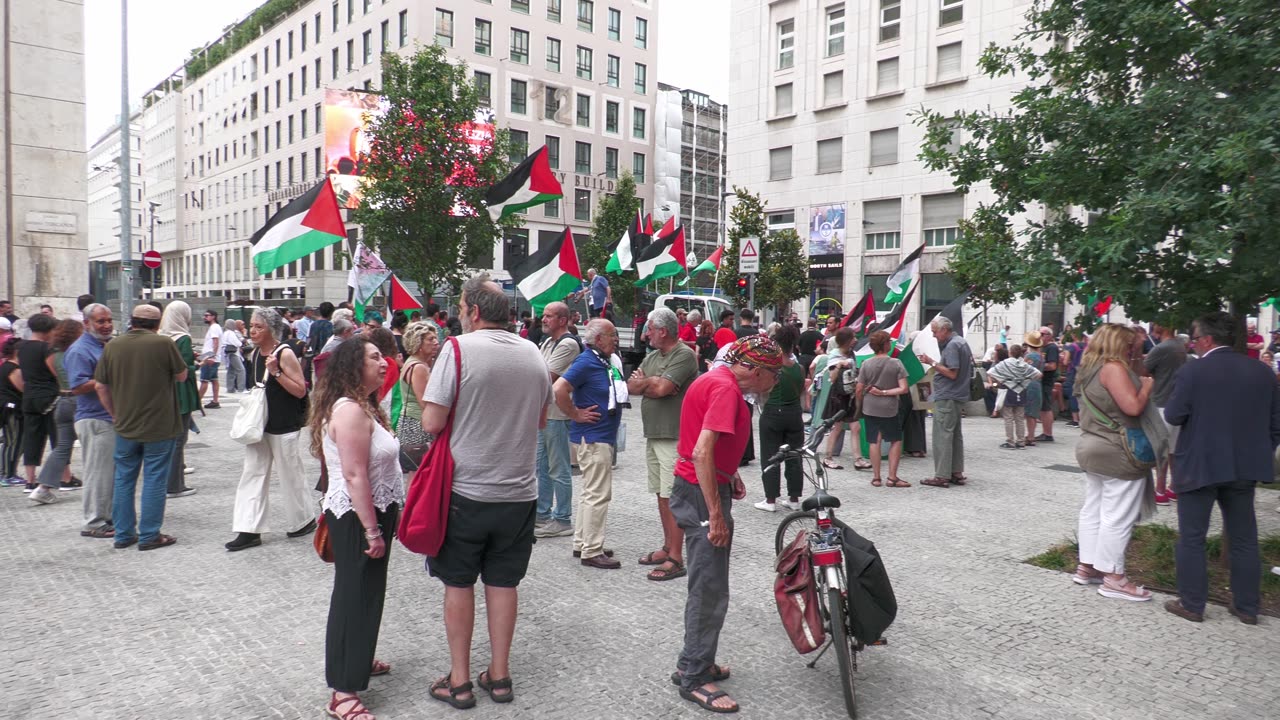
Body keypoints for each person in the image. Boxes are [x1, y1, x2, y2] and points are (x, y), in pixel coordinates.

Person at [420, 273, 552, 709]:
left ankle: (458, 682)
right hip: (519, 492)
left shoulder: (457, 350)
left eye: (461, 309)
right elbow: (539, 421)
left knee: (458, 583)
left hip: (466, 492)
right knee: (503, 583)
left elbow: (432, 424)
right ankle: (499, 676)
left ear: (473, 312)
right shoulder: (533, 353)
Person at [670, 335, 783, 714]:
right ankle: (695, 676)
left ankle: (694, 658)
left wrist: (727, 472)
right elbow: (701, 450)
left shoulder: (715, 379)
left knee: (708, 582)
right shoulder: (725, 389)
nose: (776, 381)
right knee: (710, 587)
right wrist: (716, 513)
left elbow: (702, 447)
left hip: (698, 484)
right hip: (701, 493)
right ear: (754, 369)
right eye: (775, 373)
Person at [1163, 312, 1280, 624]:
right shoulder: (1263, 371)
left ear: (1207, 340)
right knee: (1244, 538)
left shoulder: (1194, 371)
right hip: (1245, 467)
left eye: (1196, 339)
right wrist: (1257, 454)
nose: (1195, 345)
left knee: (1192, 537)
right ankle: (1247, 607)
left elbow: (1174, 415)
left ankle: (1192, 603)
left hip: (1200, 464)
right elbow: (1274, 425)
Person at [313, 336, 403, 720]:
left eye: (382, 356)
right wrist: (371, 530)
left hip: (373, 510)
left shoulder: (364, 406)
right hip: (356, 515)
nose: (383, 363)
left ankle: (358, 659)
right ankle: (342, 692)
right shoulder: (349, 410)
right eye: (373, 358)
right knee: (353, 595)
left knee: (367, 592)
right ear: (353, 366)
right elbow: (354, 475)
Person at [1071, 324, 1158, 601]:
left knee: (1093, 509)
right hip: (1118, 449)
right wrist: (1146, 387)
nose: (1134, 348)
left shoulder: (1088, 366)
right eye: (1130, 344)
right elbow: (1132, 407)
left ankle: (1087, 567)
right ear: (1119, 343)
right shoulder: (1113, 368)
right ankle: (1114, 578)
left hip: (1091, 446)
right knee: (1118, 516)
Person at [95, 304, 187, 551]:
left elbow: (100, 386)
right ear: (157, 324)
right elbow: (182, 376)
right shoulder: (163, 344)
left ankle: (123, 534)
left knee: (124, 479)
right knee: (155, 478)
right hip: (160, 425)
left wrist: (114, 413)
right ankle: (149, 535)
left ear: (132, 321)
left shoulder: (113, 345)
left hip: (125, 424)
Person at [224, 308, 313, 551]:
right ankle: (248, 529)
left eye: (258, 327)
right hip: (258, 426)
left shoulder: (284, 353)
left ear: (271, 329)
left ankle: (303, 520)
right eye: (251, 326)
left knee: (291, 474)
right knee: (252, 475)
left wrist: (276, 372)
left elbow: (300, 390)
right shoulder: (253, 354)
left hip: (284, 425)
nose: (252, 331)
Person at [628, 308, 699, 580]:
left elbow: (660, 389)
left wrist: (651, 383)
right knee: (661, 494)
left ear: (663, 331)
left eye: (649, 328)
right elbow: (632, 387)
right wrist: (652, 382)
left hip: (674, 436)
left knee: (674, 497)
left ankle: (676, 558)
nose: (646, 334)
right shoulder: (653, 356)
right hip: (655, 434)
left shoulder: (683, 354)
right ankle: (668, 547)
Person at [554, 318, 623, 569]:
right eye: (611, 334)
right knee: (598, 494)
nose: (615, 339)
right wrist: (575, 413)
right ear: (597, 339)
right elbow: (559, 389)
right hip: (594, 437)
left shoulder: (601, 360)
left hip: (597, 436)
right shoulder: (586, 360)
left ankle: (583, 542)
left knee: (590, 492)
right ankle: (592, 550)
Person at [64, 304, 116, 536]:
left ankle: (107, 516)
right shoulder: (80, 350)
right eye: (100, 321)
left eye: (108, 320)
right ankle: (95, 522)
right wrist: (106, 380)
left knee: (109, 473)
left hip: (108, 418)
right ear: (87, 323)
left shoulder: (105, 346)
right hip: (94, 419)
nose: (106, 325)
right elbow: (77, 387)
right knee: (98, 473)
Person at [534, 302, 580, 539]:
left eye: (549, 316)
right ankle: (542, 514)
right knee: (542, 466)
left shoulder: (568, 343)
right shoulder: (548, 342)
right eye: (544, 315)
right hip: (545, 413)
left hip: (557, 415)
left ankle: (562, 519)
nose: (544, 319)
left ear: (563, 320)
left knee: (559, 467)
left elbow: (545, 376)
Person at [28, 319, 84, 504]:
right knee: (95, 445)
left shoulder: (56, 353)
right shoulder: (77, 352)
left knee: (61, 447)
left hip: (63, 401)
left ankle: (43, 488)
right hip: (80, 401)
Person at [755, 324, 807, 510]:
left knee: (770, 456)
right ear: (793, 345)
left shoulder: (770, 368)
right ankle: (794, 499)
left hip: (772, 414)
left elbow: (761, 391)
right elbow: (801, 391)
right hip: (794, 414)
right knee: (795, 456)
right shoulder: (799, 369)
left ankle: (770, 500)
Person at [918, 316, 972, 488]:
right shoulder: (960, 342)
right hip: (957, 395)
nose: (934, 336)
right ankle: (956, 471)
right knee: (955, 435)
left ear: (944, 330)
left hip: (948, 395)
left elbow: (952, 373)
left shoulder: (952, 345)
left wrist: (931, 362)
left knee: (942, 436)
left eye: (935, 332)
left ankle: (942, 475)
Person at [857, 330, 910, 488]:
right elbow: (904, 389)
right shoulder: (896, 363)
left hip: (870, 406)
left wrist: (860, 402)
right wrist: (885, 392)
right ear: (886, 344)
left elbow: (859, 389)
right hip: (889, 407)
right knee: (895, 440)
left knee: (874, 440)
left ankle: (876, 477)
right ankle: (892, 477)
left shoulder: (866, 363)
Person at [158, 302, 200, 499]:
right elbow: (183, 368)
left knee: (169, 438)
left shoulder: (160, 336)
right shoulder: (183, 338)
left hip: (165, 392)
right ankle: (175, 485)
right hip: (182, 393)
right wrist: (196, 364)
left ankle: (170, 479)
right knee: (179, 438)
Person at [1145, 322, 1187, 505]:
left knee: (1160, 450)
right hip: (1176, 402)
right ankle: (1174, 487)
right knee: (1173, 450)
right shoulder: (1180, 346)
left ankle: (1159, 490)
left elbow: (1143, 370)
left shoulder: (1161, 348)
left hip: (1161, 401)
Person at [18, 313, 60, 495]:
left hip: (29, 396)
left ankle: (30, 480)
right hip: (49, 396)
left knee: (32, 437)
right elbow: (56, 372)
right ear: (48, 331)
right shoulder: (47, 348)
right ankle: (65, 477)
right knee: (58, 438)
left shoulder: (22, 347)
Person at [396, 321, 439, 458]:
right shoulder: (419, 367)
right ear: (418, 343)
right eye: (430, 339)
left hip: (411, 422)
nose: (436, 342)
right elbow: (425, 403)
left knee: (416, 473)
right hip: (416, 424)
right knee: (421, 472)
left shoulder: (415, 363)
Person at [987, 344, 1041, 449]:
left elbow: (991, 372)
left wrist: (1004, 380)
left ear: (1010, 352)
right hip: (1021, 392)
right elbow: (1037, 374)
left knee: (1008, 418)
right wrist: (1025, 381)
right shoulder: (1024, 364)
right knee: (1020, 418)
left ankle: (1010, 441)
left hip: (1009, 391)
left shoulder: (1005, 364)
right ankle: (1021, 442)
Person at [0, 337, 24, 486]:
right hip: (12, 410)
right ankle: (8, 474)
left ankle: (6, 472)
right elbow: (23, 389)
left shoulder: (6, 366)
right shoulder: (13, 369)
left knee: (10, 441)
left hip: (7, 408)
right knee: (14, 442)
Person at [1036, 326, 1060, 442]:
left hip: (1047, 380)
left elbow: (1052, 366)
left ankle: (1048, 434)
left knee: (1046, 407)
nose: (1039, 336)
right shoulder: (1042, 348)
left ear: (1049, 336)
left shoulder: (1051, 348)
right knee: (1043, 407)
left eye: (1042, 334)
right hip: (1041, 380)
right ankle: (1045, 432)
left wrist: (1038, 365)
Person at [1021, 332, 1045, 445]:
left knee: (1029, 412)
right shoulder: (1041, 356)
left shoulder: (1029, 356)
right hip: (1038, 384)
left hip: (1029, 383)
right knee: (1033, 412)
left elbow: (1024, 370)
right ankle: (1031, 434)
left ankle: (1030, 437)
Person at [197, 310, 223, 409]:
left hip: (210, 359)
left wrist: (210, 357)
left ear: (214, 316)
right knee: (214, 379)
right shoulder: (215, 327)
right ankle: (215, 401)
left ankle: (197, 402)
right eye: (204, 315)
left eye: (207, 315)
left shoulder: (214, 328)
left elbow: (215, 343)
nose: (205, 317)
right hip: (213, 357)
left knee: (204, 380)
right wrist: (200, 357)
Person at [222, 318, 246, 394]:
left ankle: (230, 388)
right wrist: (240, 343)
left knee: (231, 371)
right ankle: (241, 388)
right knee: (241, 370)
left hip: (227, 353)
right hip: (234, 353)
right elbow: (237, 343)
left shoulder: (225, 333)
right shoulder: (231, 333)